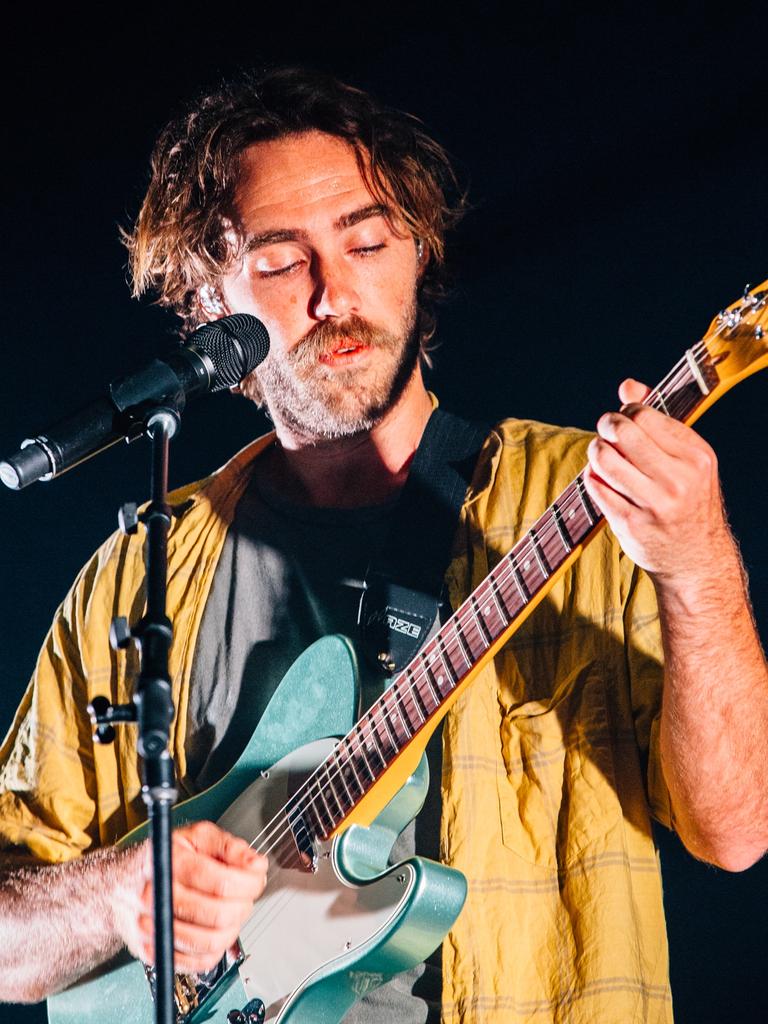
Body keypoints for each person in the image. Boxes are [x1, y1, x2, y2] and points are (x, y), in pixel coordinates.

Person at [1, 67, 767, 1024]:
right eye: (282, 262)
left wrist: (695, 562)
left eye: (367, 242)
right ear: (205, 304)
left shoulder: (588, 501)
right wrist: (117, 893)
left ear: (418, 257)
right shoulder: (135, 578)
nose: (335, 293)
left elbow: (735, 833)